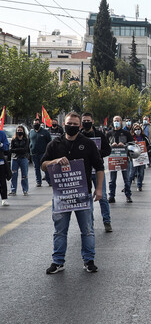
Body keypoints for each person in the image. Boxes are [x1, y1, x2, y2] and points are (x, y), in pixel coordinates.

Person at [41, 111, 104, 274]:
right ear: (64, 124)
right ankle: (58, 261)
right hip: (61, 196)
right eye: (70, 124)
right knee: (60, 231)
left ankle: (89, 260)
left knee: (87, 230)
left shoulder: (88, 144)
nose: (72, 127)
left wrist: (99, 189)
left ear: (80, 126)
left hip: (83, 195)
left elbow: (99, 167)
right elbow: (43, 165)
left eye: (76, 125)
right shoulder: (54, 144)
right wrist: (55, 161)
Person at [81, 111, 113, 232]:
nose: (86, 123)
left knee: (103, 196)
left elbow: (107, 150)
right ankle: (90, 223)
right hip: (84, 172)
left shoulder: (99, 134)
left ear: (92, 121)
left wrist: (96, 154)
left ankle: (107, 221)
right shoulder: (79, 135)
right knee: (87, 198)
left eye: (88, 121)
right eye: (84, 121)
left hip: (98, 171)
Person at [107, 115, 133, 203]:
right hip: (113, 160)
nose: (116, 122)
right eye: (115, 120)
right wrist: (110, 146)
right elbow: (104, 146)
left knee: (126, 179)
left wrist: (125, 145)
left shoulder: (126, 133)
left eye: (118, 120)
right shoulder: (109, 133)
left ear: (121, 122)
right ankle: (111, 196)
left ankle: (128, 195)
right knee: (112, 180)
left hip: (124, 159)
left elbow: (132, 144)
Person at [29, 119, 52, 187]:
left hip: (43, 153)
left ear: (40, 124)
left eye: (37, 123)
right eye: (34, 124)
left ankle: (49, 181)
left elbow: (49, 142)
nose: (36, 125)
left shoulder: (45, 132)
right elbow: (29, 142)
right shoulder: (31, 132)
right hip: (34, 153)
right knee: (36, 168)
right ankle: (38, 182)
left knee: (45, 167)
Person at [9, 125, 30, 196]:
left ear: (23, 131)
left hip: (23, 158)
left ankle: (25, 190)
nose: (19, 132)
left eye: (20, 131)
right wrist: (19, 150)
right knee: (13, 175)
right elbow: (11, 150)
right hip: (15, 159)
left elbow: (25, 149)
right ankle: (13, 190)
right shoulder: (13, 140)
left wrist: (17, 150)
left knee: (24, 175)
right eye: (18, 131)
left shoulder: (26, 139)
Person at [128, 123, 147, 192]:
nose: (137, 130)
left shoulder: (144, 137)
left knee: (141, 173)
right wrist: (133, 143)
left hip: (142, 157)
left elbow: (148, 145)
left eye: (138, 129)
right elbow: (128, 146)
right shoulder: (131, 137)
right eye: (136, 129)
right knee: (132, 173)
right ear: (133, 130)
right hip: (133, 158)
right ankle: (128, 186)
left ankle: (139, 185)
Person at [0, 125, 9, 206]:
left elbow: (6, 147)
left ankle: (4, 198)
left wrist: (1, 145)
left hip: (1, 162)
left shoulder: (2, 134)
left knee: (2, 181)